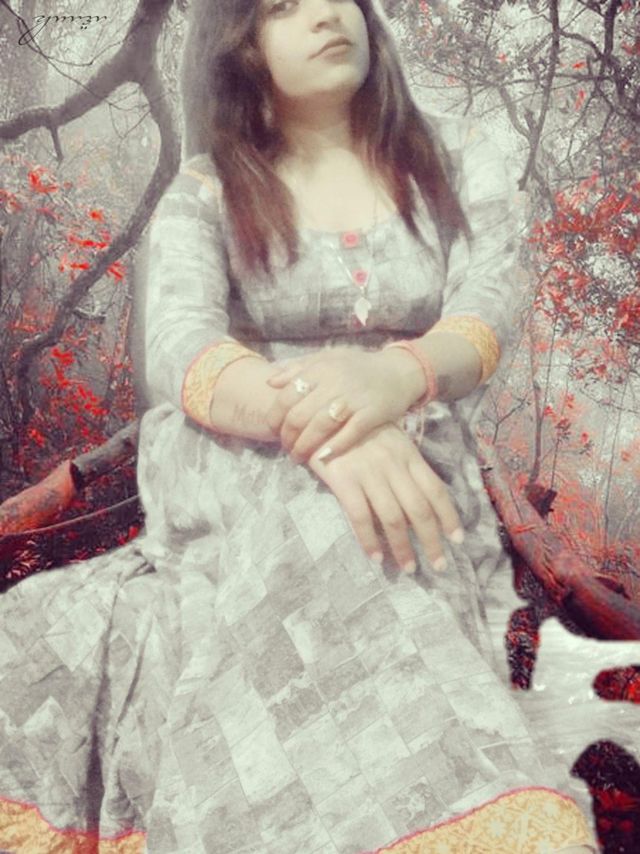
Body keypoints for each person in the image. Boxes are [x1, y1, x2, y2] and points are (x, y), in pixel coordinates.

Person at [0, 0, 599, 851]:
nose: (325, 15)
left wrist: (394, 377)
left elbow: (491, 301)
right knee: (318, 509)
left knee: (364, 522)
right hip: (235, 449)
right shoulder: (206, 189)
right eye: (284, 6)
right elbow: (181, 345)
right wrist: (319, 420)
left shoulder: (457, 159)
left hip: (413, 446)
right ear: (242, 47)